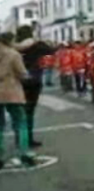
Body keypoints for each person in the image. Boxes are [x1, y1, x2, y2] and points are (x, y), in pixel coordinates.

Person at [0, 32, 36, 169]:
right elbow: (22, 74)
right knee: (21, 123)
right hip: (11, 91)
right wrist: (28, 76)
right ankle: (24, 153)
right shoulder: (13, 54)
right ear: (10, 41)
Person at [15, 25, 54, 148]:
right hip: (33, 80)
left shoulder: (13, 47)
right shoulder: (37, 45)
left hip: (18, 81)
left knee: (18, 112)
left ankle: (19, 138)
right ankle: (28, 138)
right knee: (30, 111)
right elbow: (51, 50)